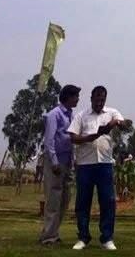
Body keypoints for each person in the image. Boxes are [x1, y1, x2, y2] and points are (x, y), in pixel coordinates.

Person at [68, 85, 132, 251]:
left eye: (102, 100)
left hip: (104, 163)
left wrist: (116, 123)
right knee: (83, 202)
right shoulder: (82, 116)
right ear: (91, 98)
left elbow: (125, 125)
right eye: (97, 100)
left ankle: (107, 237)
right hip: (85, 164)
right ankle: (83, 237)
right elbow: (73, 137)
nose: (99, 103)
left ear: (105, 99)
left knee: (108, 201)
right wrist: (91, 137)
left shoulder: (111, 112)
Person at [39, 84, 80, 246]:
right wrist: (54, 162)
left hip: (67, 161)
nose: (78, 99)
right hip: (56, 163)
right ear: (67, 97)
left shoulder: (70, 115)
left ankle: (52, 232)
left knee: (64, 200)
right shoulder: (53, 115)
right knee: (53, 199)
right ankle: (48, 237)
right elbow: (49, 141)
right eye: (75, 96)